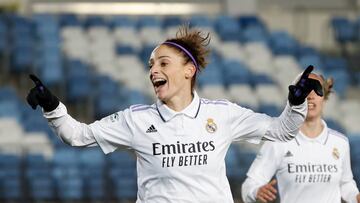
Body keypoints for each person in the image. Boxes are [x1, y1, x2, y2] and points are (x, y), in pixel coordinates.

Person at [26, 25, 317, 202]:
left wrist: (297, 103)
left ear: (189, 70)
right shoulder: (136, 119)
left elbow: (282, 130)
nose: (154, 70)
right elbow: (77, 136)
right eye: (151, 65)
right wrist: (52, 106)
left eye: (164, 63)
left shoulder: (223, 114)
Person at [241, 73, 360, 203]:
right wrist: (256, 192)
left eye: (316, 90)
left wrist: (356, 197)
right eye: (304, 89)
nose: (310, 96)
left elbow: (345, 183)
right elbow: (249, 185)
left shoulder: (340, 142)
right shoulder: (278, 142)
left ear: (324, 96)